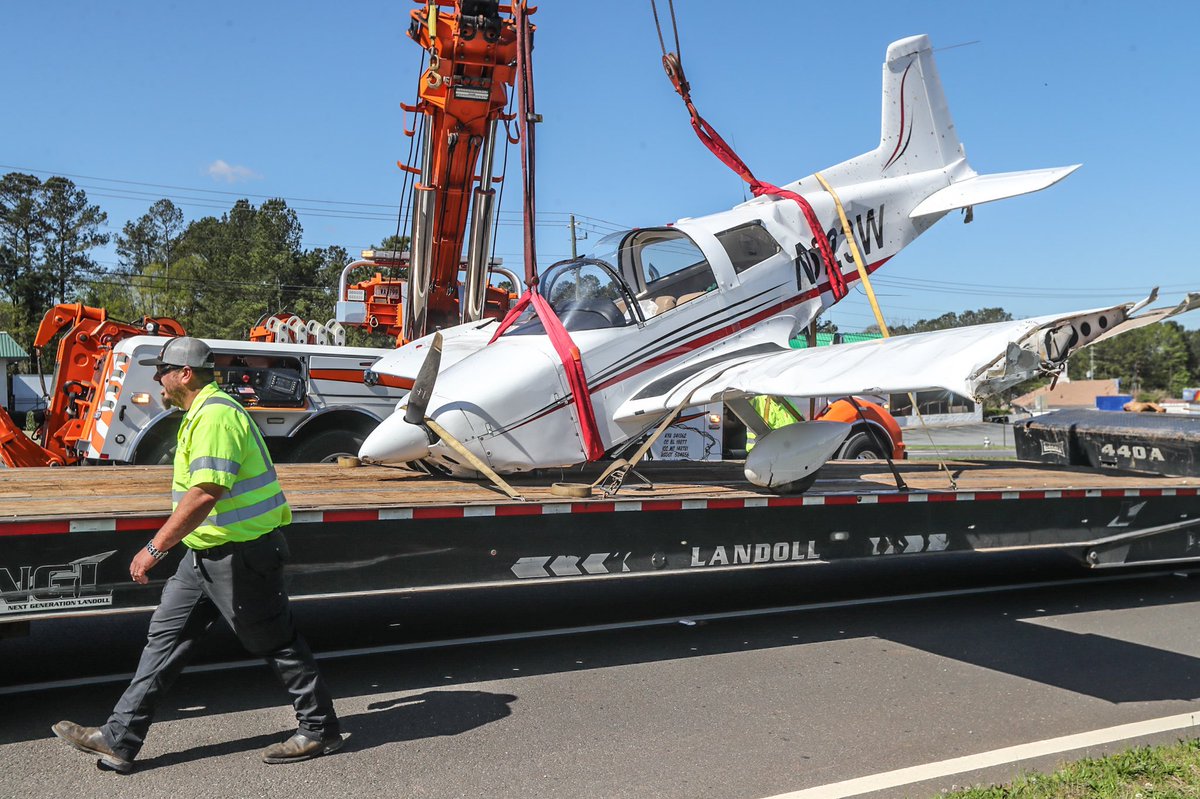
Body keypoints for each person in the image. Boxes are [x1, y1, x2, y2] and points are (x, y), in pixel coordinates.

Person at [52, 337, 342, 773]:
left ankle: (320, 730)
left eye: (162, 371)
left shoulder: (217, 417)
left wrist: (154, 547)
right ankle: (118, 739)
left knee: (276, 641)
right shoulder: (199, 413)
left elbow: (206, 492)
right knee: (162, 643)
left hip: (243, 554)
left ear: (185, 373)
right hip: (203, 554)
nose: (158, 381)